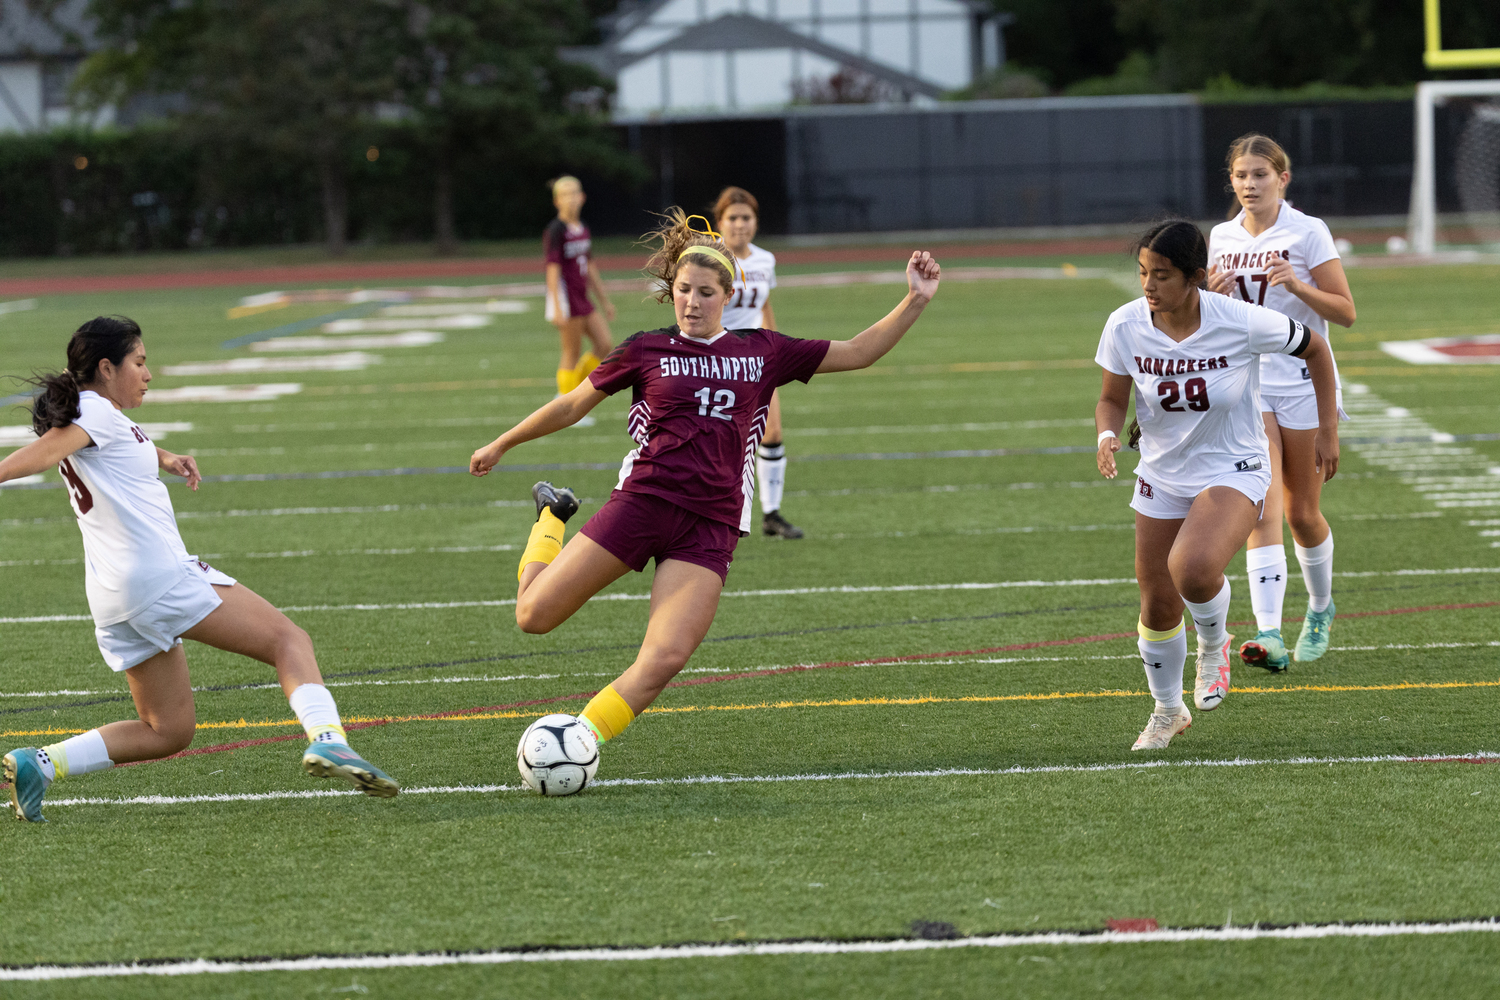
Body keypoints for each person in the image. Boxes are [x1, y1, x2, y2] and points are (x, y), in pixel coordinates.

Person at [469, 211, 940, 762]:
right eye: (684, 291)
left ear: (727, 295)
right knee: (533, 617)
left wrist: (916, 299)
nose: (692, 301)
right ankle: (551, 516)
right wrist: (503, 442)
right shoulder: (646, 349)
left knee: (665, 656)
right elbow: (573, 404)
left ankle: (581, 740)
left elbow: (859, 351)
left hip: (710, 526)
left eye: (706, 292)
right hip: (642, 504)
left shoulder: (763, 350)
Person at [1, 317, 397, 823]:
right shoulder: (95, 412)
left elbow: (107, 448)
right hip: (158, 577)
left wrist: (163, 457)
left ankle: (42, 763)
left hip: (112, 597)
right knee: (289, 641)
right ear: (106, 367)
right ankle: (329, 741)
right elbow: (46, 452)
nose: (148, 374)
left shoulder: (97, 413)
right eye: (139, 362)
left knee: (167, 730)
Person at [1094, 221, 1339, 751]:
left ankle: (1213, 644)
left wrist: (1327, 430)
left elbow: (1317, 349)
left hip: (1235, 467)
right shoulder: (1125, 325)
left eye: (1161, 275)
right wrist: (1108, 434)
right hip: (1161, 472)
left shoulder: (1241, 321)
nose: (1148, 286)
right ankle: (1166, 710)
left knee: (1194, 569)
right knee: (1158, 602)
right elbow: (1112, 397)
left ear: (1196, 278)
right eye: (1142, 273)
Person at [1206, 134, 1355, 670]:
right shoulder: (1221, 237)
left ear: (1282, 179)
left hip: (1304, 383)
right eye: (1241, 175)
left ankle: (1319, 607)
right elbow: (1211, 319)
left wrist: (1298, 283)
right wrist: (1214, 300)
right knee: (1262, 507)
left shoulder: (1307, 231)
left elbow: (1344, 312)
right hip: (1249, 388)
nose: (1250, 184)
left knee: (1303, 512)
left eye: (1260, 175)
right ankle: (1268, 633)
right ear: (1231, 180)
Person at [714, 186, 801, 539]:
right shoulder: (709, 258)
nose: (739, 225)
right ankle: (717, 512)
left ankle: (772, 514)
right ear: (719, 222)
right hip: (715, 357)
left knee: (773, 432)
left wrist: (774, 346)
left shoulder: (765, 260)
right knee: (720, 439)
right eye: (732, 218)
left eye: (746, 217)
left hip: (755, 356)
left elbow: (763, 305)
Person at [544, 175, 615, 415]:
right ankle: (565, 404)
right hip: (566, 299)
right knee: (571, 352)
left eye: (574, 193)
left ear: (582, 197)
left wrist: (604, 300)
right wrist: (555, 306)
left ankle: (574, 390)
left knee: (605, 344)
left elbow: (590, 266)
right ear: (556, 201)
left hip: (583, 298)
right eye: (564, 195)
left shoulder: (582, 227)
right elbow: (552, 271)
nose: (571, 199)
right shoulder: (556, 230)